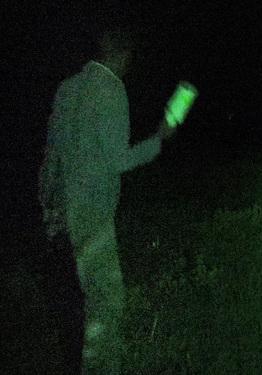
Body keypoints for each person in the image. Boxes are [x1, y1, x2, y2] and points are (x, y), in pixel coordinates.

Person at [39, 29, 177, 373]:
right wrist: (159, 139)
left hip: (64, 212)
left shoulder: (67, 88)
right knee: (107, 302)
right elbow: (117, 160)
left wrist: (50, 210)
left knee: (81, 298)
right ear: (123, 55)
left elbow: (51, 158)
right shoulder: (111, 89)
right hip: (93, 212)